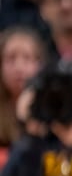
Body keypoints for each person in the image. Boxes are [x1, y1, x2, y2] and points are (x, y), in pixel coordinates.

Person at [0, 27, 45, 168]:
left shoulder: (50, 109)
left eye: (27, 58)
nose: (19, 67)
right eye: (11, 58)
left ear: (39, 65)